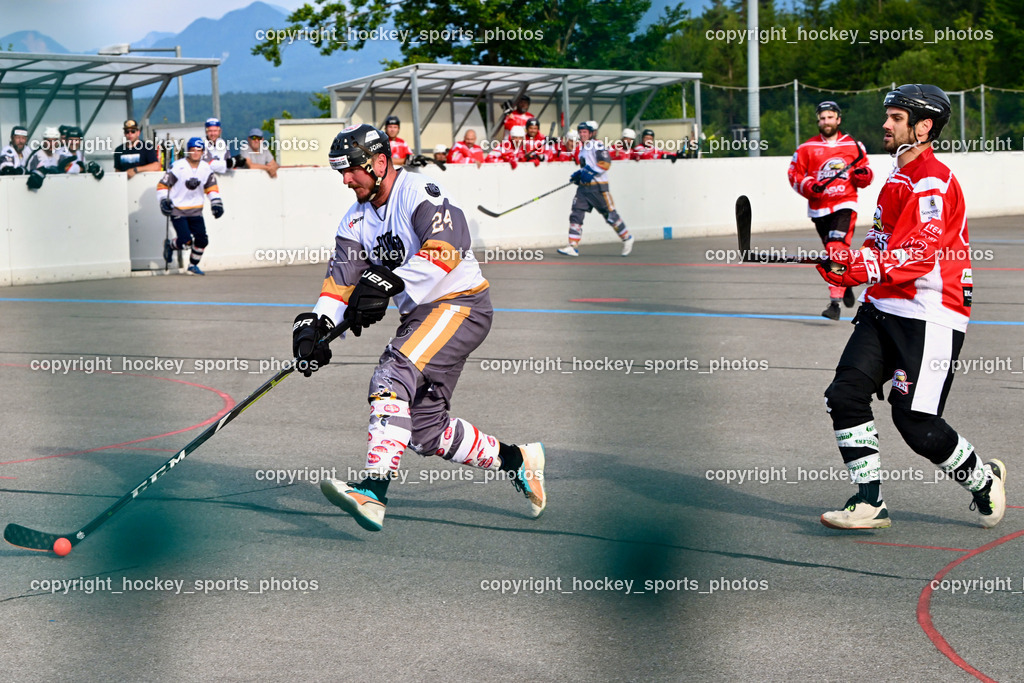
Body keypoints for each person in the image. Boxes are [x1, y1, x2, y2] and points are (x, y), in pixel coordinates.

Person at [293, 123, 546, 532]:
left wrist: (389, 282)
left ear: (379, 162)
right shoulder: (354, 221)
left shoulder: (419, 192)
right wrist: (316, 329)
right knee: (427, 432)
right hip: (422, 317)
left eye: (352, 169)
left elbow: (448, 247)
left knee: (392, 374)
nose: (345, 179)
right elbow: (340, 285)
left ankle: (373, 491)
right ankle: (520, 459)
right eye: (340, 172)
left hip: (460, 304)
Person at [817, 84, 1005, 531]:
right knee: (844, 396)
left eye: (896, 118)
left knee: (917, 423)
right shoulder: (897, 178)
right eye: (888, 116)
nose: (885, 124)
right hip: (884, 307)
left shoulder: (932, 182)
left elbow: (920, 254)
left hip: (931, 313)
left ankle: (983, 479)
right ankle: (870, 502)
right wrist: (845, 264)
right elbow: (882, 242)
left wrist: (862, 267)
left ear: (923, 127)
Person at [788, 101, 874, 320]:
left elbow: (866, 171)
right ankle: (844, 284)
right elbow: (794, 174)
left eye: (830, 117)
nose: (826, 121)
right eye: (822, 117)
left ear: (839, 119)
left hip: (845, 205)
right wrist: (808, 185)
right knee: (835, 254)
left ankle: (834, 304)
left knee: (836, 249)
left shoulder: (854, 146)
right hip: (819, 210)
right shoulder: (806, 148)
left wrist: (863, 176)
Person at [557, 121, 633, 257]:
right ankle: (572, 246)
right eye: (580, 132)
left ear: (592, 133)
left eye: (585, 132)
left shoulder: (597, 145)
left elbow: (605, 163)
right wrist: (579, 175)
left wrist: (591, 172)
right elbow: (586, 167)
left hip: (598, 188)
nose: (582, 134)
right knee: (576, 213)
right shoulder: (582, 148)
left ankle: (627, 237)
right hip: (584, 189)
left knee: (609, 215)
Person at [157, 137, 224, 276]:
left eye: (198, 150)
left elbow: (211, 188)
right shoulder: (178, 166)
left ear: (202, 152)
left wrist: (216, 202)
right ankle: (170, 245)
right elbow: (162, 185)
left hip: (196, 210)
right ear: (188, 151)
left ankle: (193, 265)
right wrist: (164, 200)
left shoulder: (206, 168)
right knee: (186, 240)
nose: (195, 153)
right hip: (179, 210)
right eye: (192, 150)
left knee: (202, 240)